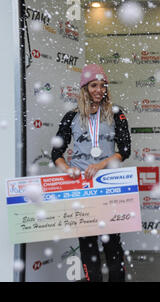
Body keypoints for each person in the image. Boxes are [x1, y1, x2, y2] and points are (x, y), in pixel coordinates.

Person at [51, 64, 131, 282]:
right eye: (93, 85)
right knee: (87, 245)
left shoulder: (116, 114)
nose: (98, 90)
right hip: (82, 188)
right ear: (84, 88)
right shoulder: (71, 117)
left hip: (107, 184)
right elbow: (56, 153)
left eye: (102, 85)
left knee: (112, 243)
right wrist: (69, 170)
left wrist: (102, 164)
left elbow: (125, 150)